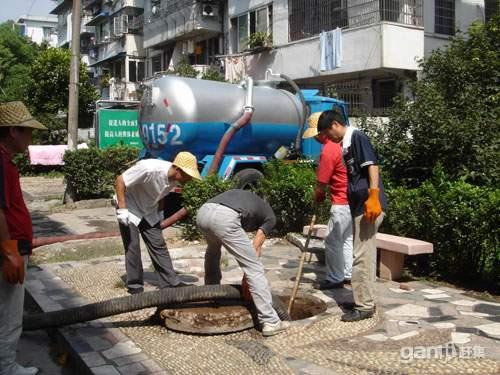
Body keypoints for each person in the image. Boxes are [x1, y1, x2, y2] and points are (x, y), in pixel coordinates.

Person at [317, 109, 387, 322]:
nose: (329, 139)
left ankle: (364, 306)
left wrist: (374, 195)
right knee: (360, 255)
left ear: (336, 124)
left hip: (368, 207)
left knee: (362, 257)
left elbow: (372, 165)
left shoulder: (356, 137)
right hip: (358, 207)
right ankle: (363, 299)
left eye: (329, 133)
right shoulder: (346, 144)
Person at [196, 189, 290, 337]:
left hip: (203, 212)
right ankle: (270, 321)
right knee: (254, 267)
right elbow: (256, 246)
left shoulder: (247, 200)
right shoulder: (270, 216)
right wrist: (247, 279)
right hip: (225, 217)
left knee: (213, 251)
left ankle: (211, 293)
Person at [0, 101, 47, 375]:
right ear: (13, 131)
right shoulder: (1, 163)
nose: (32, 137)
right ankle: (6, 368)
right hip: (10, 248)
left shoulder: (6, 161)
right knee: (9, 314)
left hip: (12, 246)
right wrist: (10, 252)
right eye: (28, 131)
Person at [114, 151, 201, 294]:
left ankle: (170, 282)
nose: (189, 179)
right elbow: (120, 181)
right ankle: (135, 286)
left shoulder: (174, 179)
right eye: (188, 175)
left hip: (149, 210)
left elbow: (161, 194)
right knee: (132, 245)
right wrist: (122, 209)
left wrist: (160, 212)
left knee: (158, 244)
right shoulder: (148, 169)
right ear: (178, 169)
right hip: (130, 206)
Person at [303, 112, 353, 290]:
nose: (315, 139)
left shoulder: (329, 150)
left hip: (341, 201)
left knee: (332, 241)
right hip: (352, 201)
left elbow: (321, 182)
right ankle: (347, 274)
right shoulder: (341, 144)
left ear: (322, 132)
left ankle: (335, 278)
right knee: (346, 239)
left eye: (316, 135)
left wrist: (318, 195)